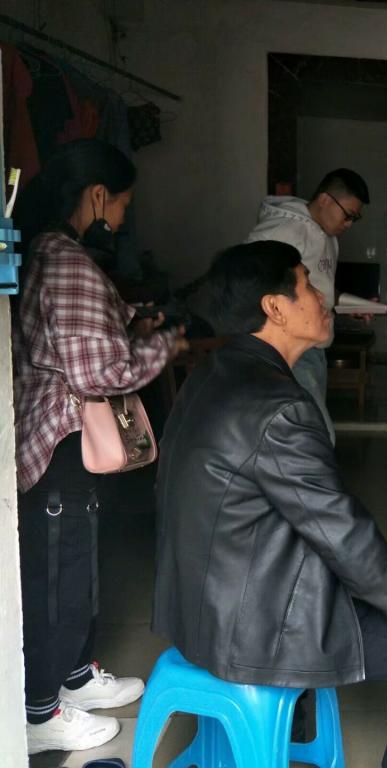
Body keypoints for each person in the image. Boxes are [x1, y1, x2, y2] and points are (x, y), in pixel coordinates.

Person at [152, 241, 387, 767]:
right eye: (306, 284)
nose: (322, 296)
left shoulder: (211, 374)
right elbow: (343, 533)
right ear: (275, 307)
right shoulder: (277, 406)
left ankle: (288, 733)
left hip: (198, 609)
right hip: (252, 628)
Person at [12, 139, 187, 754]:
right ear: (97, 196)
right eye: (122, 206)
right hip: (61, 439)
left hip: (65, 441)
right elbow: (99, 373)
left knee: (77, 564)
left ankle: (75, 677)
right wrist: (165, 345)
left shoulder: (51, 254)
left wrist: (131, 319)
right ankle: (40, 711)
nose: (121, 218)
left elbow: (77, 333)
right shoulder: (69, 263)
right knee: (59, 575)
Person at [245, 168, 370, 440]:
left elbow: (323, 289)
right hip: (289, 347)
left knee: (305, 431)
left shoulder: (329, 239)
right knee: (315, 434)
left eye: (355, 218)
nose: (349, 224)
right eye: (348, 215)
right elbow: (250, 280)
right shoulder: (284, 230)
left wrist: (349, 304)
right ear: (325, 200)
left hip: (313, 349)